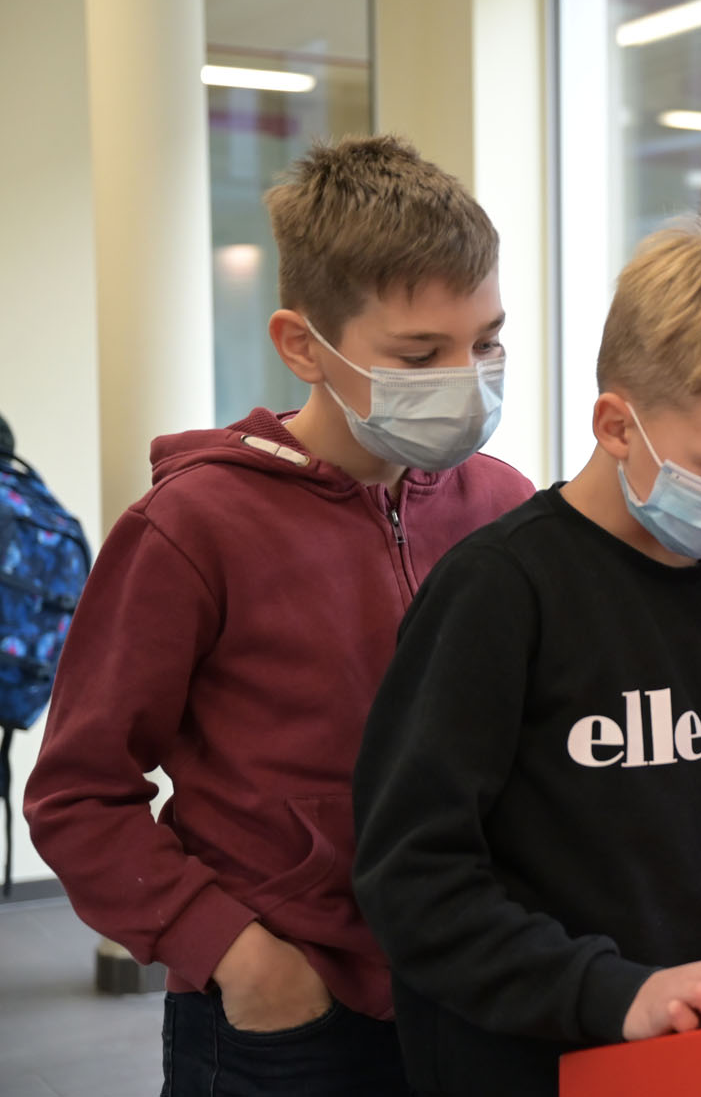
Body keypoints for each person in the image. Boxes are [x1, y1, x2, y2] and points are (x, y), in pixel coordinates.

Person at [23, 135, 534, 1095]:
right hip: (283, 1019)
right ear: (303, 344)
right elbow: (78, 793)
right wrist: (240, 956)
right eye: (421, 353)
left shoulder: (504, 506)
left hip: (476, 994)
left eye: (488, 340)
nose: (467, 377)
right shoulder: (192, 527)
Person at [351, 214, 701, 1096]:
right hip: (521, 1055)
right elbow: (414, 876)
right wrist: (614, 992)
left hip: (695, 1046)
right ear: (617, 425)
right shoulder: (500, 590)